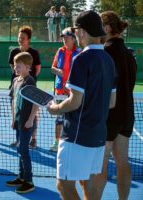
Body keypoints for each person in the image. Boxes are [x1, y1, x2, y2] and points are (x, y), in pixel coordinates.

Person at [47, 10, 116, 199]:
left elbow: (74, 102)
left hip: (76, 135)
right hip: (98, 135)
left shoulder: (81, 59)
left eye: (76, 30)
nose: (75, 34)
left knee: (63, 184)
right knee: (90, 185)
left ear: (83, 32)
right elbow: (111, 102)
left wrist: (55, 109)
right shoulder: (109, 60)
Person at [93, 11, 137, 200]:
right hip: (126, 114)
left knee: (99, 167)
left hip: (109, 115)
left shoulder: (104, 52)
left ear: (107, 28)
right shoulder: (128, 54)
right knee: (123, 163)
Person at [6, 52, 39, 194]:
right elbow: (13, 100)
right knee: (20, 149)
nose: (16, 68)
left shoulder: (29, 81)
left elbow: (36, 102)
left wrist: (31, 120)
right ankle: (21, 176)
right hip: (19, 122)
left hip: (27, 123)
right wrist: (13, 118)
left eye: (19, 66)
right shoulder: (15, 81)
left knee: (24, 151)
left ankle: (29, 181)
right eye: (15, 66)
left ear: (28, 67)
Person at [8, 26, 41, 148]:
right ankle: (18, 140)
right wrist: (19, 77)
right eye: (19, 37)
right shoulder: (14, 52)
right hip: (16, 85)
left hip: (29, 86)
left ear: (29, 39)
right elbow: (13, 66)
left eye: (23, 38)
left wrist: (29, 79)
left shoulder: (34, 53)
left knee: (32, 113)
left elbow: (37, 69)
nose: (20, 39)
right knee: (17, 111)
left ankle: (33, 138)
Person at [50, 27, 81, 152]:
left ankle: (73, 141)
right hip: (60, 92)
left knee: (74, 118)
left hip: (73, 92)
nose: (64, 40)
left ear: (73, 39)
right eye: (63, 38)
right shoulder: (60, 51)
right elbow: (53, 68)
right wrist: (58, 71)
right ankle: (57, 142)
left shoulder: (79, 53)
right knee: (59, 118)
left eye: (66, 38)